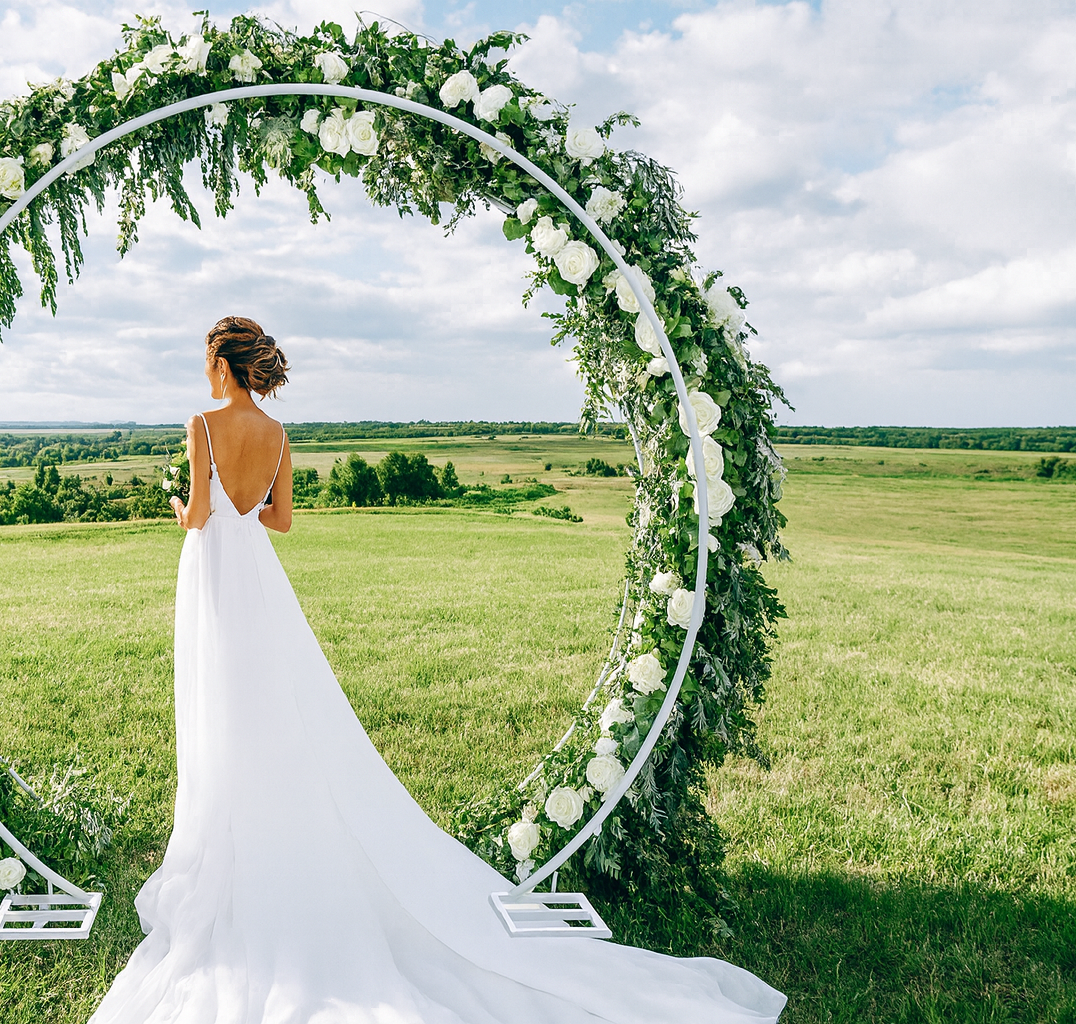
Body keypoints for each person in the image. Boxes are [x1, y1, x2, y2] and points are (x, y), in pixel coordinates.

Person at [88, 316, 785, 1024]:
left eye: (207, 363)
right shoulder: (277, 435)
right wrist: (248, 509)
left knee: (221, 707)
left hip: (212, 578)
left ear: (221, 364)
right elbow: (282, 521)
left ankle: (233, 848)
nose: (205, 375)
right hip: (259, 582)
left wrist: (181, 504)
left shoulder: (201, 424)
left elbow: (199, 516)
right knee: (276, 704)